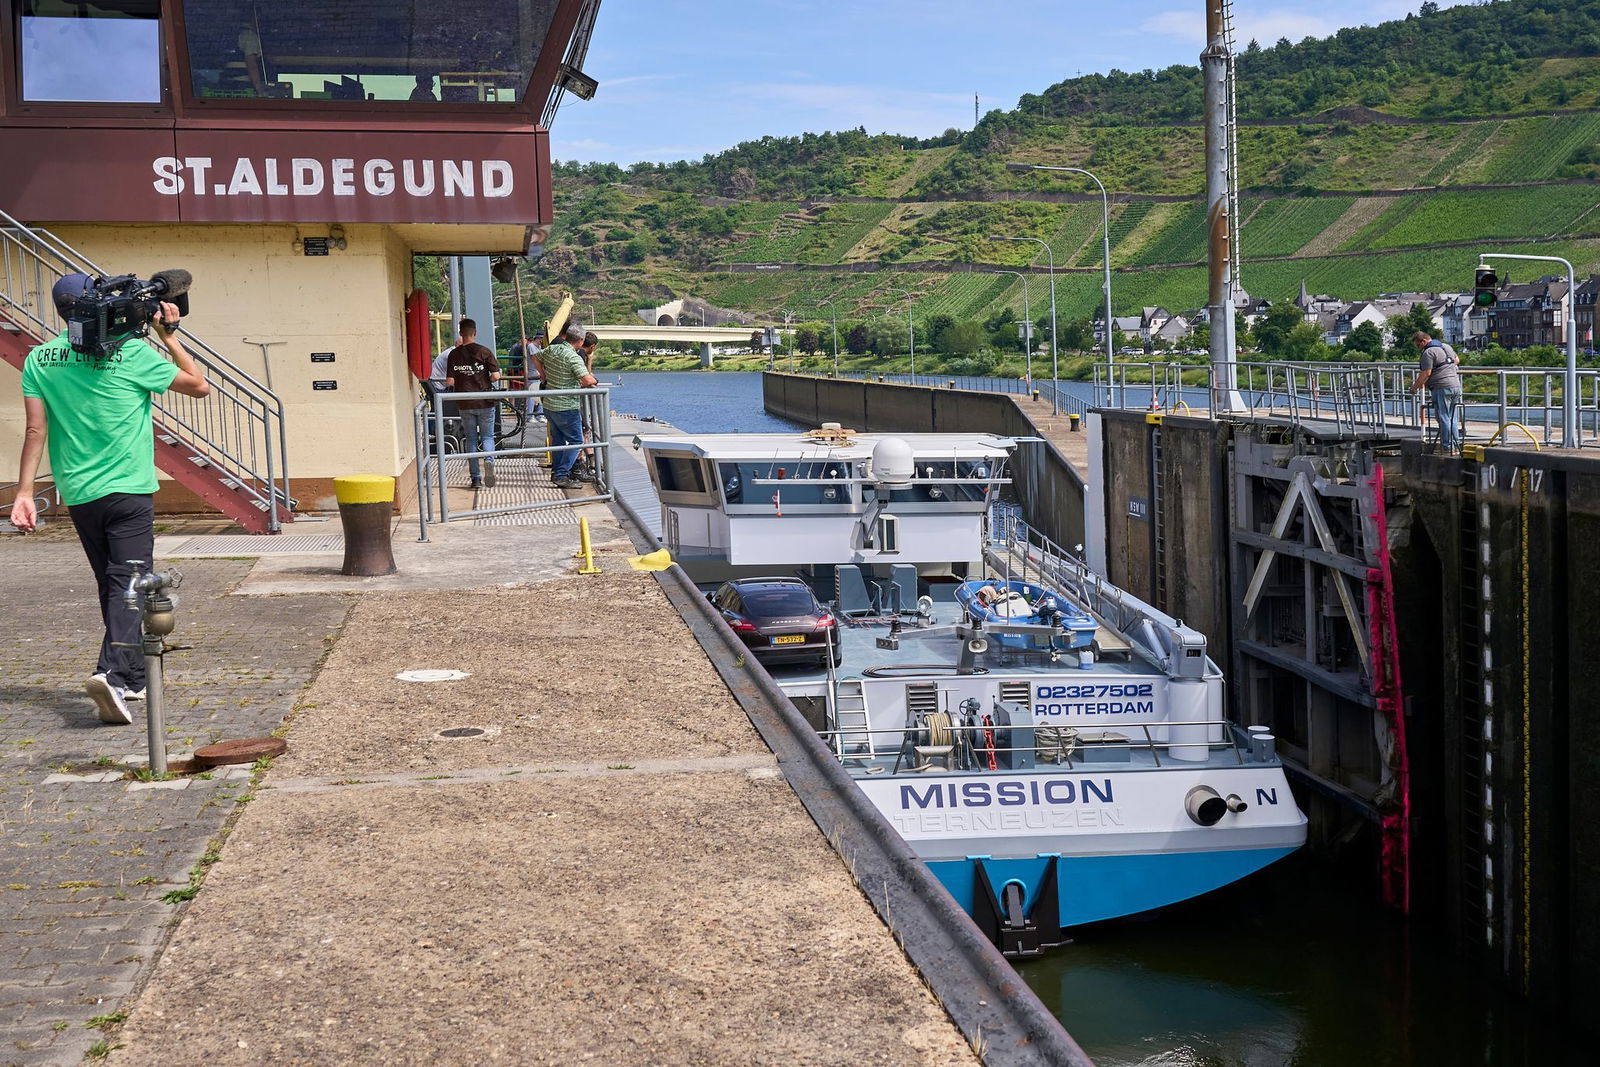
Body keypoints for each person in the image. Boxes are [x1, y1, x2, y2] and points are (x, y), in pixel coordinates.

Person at [10, 274, 210, 725]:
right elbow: (198, 385)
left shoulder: (40, 358)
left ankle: (135, 676)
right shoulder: (131, 352)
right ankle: (114, 677)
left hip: (80, 493)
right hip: (128, 488)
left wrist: (24, 492)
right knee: (131, 583)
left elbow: (36, 431)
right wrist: (169, 335)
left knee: (113, 583)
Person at [444, 318, 500, 489]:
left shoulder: (454, 354)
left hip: (465, 403)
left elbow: (449, 381)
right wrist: (485, 379)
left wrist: (464, 380)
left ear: (461, 333)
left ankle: (475, 478)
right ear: (474, 333)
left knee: (471, 440)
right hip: (484, 401)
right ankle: (489, 471)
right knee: (488, 437)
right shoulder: (485, 351)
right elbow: (496, 376)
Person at [542, 325, 598, 489]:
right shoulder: (573, 356)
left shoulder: (553, 349)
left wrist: (544, 377)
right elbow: (587, 380)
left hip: (550, 403)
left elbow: (535, 357)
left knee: (558, 440)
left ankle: (557, 472)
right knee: (577, 441)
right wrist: (595, 381)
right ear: (580, 340)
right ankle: (561, 474)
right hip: (566, 405)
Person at [1411, 330, 1463, 453]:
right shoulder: (1446, 346)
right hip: (1455, 386)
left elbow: (1426, 374)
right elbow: (1457, 360)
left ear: (1423, 341)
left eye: (1418, 345)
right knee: (1452, 418)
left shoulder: (1428, 352)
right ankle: (1455, 446)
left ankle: (1447, 447)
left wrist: (1414, 387)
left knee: (1443, 417)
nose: (1419, 348)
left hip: (1441, 387)